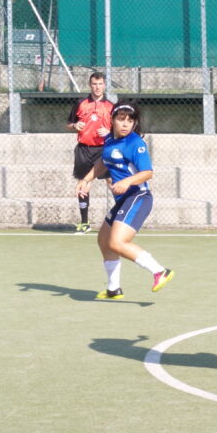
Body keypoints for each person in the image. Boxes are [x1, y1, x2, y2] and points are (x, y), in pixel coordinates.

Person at [76, 102, 174, 299]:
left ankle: (160, 271)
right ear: (111, 120)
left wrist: (127, 181)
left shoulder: (136, 143)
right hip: (124, 200)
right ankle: (113, 289)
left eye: (130, 120)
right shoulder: (110, 139)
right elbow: (104, 161)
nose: (125, 124)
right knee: (104, 239)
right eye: (121, 119)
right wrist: (86, 179)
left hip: (138, 196)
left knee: (117, 242)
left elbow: (148, 173)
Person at [68, 72, 114, 233]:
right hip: (84, 149)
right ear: (90, 85)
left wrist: (108, 131)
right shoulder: (80, 103)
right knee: (83, 184)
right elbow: (69, 123)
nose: (97, 87)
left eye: (100, 83)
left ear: (104, 85)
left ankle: (120, 218)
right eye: (94, 84)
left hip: (103, 149)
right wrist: (75, 126)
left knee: (111, 182)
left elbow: (118, 129)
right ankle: (85, 222)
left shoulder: (111, 106)